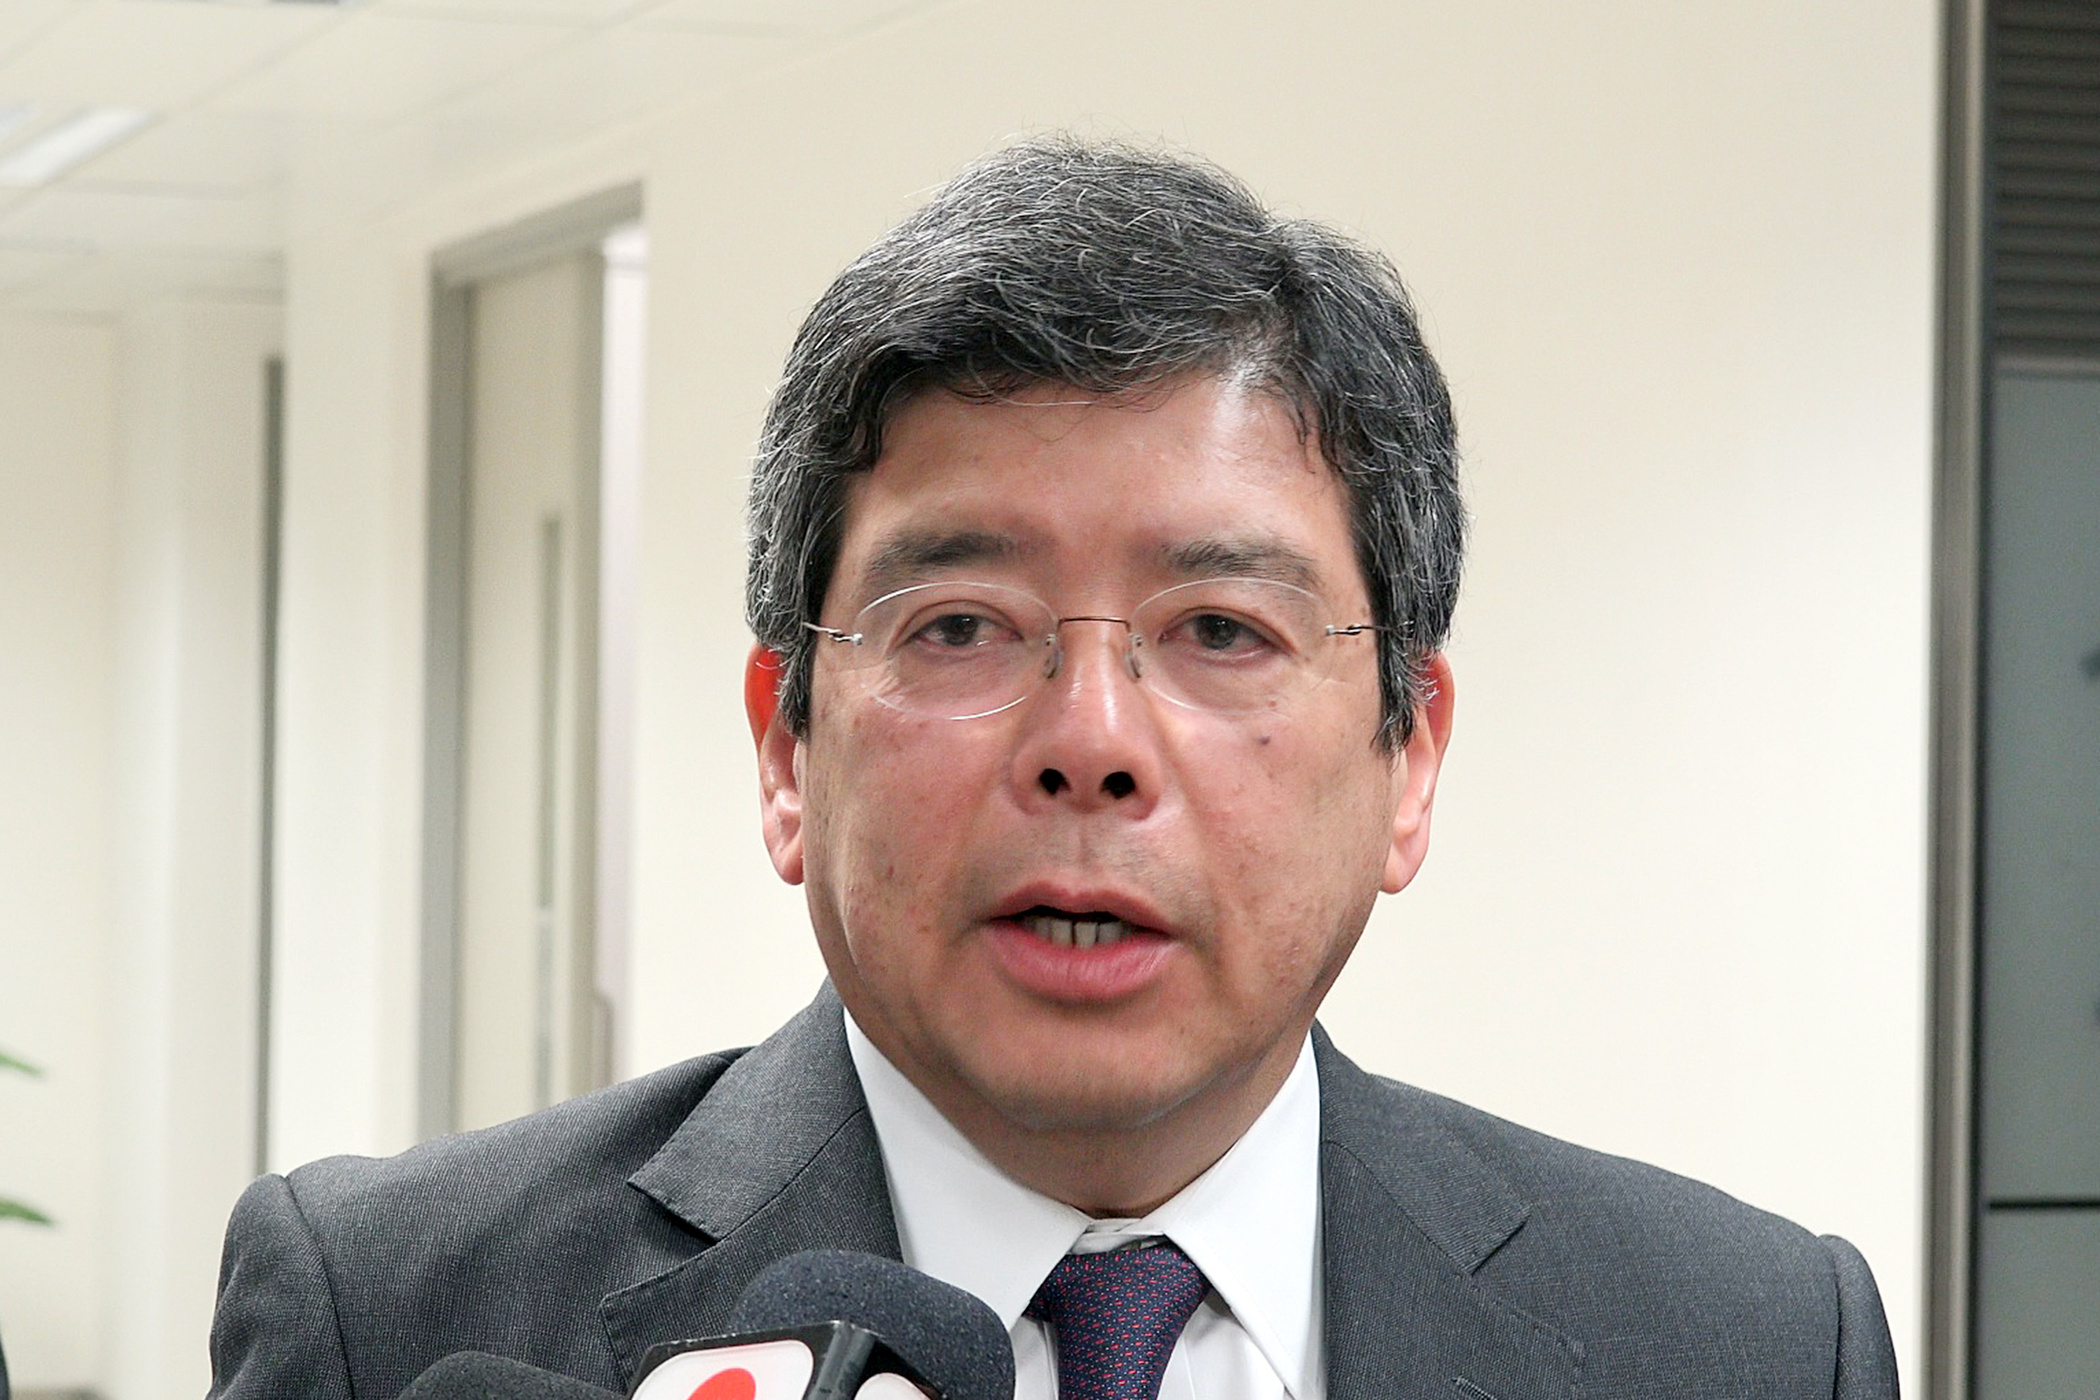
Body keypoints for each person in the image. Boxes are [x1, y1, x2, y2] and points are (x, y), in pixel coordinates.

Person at [207, 137, 1898, 1400]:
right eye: (960, 627)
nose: (1090, 744)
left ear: (1411, 760)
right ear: (786, 748)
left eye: (1221, 630)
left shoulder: (1745, 1342)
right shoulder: (395, 1317)